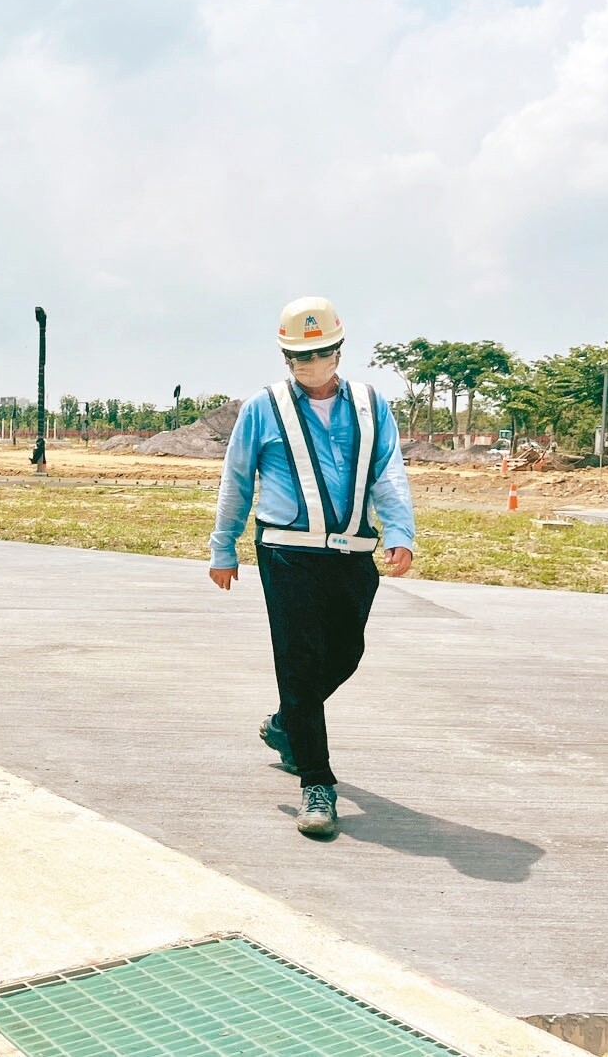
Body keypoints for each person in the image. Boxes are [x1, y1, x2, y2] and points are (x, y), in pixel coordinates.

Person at [209, 297, 415, 839]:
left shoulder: (372, 405)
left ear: (339, 350)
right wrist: (223, 547)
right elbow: (237, 480)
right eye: (297, 355)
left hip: (351, 553)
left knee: (345, 654)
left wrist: (400, 533)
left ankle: (285, 723)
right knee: (300, 660)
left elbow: (388, 472)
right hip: (286, 552)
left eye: (319, 353)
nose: (309, 364)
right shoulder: (262, 407)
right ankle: (316, 783)